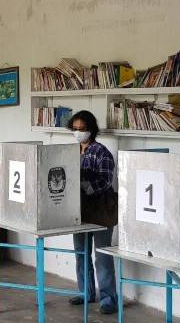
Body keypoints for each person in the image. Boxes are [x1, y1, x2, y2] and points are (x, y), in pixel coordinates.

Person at [66, 110, 118, 314]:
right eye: (75, 129)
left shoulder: (101, 152)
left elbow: (105, 182)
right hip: (78, 208)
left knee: (102, 255)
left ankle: (108, 299)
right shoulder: (71, 150)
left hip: (101, 208)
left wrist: (83, 185)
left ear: (91, 130)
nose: (78, 132)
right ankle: (86, 293)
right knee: (81, 253)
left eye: (82, 129)